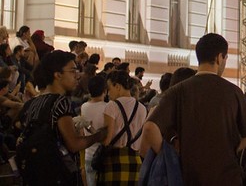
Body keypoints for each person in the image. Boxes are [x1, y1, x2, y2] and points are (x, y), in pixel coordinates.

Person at [141, 33, 246, 185]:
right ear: (219, 57)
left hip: (189, 176)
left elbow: (149, 127)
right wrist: (231, 149)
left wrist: (170, 156)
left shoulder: (178, 90)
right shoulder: (233, 92)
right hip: (227, 177)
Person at [18, 50, 106, 185]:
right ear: (57, 75)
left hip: (35, 175)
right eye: (73, 71)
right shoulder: (59, 102)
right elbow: (74, 144)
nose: (77, 76)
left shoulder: (30, 103)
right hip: (57, 175)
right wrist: (99, 135)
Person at [98, 70, 148, 185]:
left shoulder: (112, 106)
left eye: (109, 88)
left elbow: (107, 139)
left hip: (115, 161)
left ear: (118, 86)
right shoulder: (142, 108)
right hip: (136, 161)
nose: (108, 93)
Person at [82, 75, 109, 186]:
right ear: (105, 91)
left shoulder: (84, 106)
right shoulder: (108, 107)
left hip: (88, 152)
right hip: (103, 154)